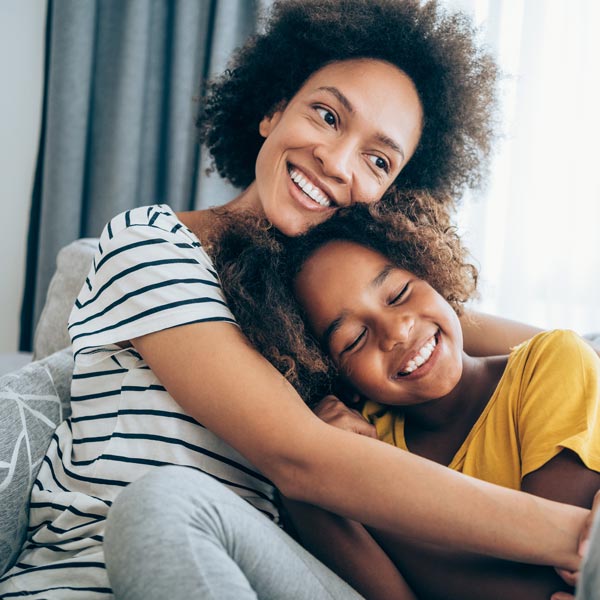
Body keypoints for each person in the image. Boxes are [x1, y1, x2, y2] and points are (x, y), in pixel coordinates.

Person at [0, 1, 594, 599]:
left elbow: (493, 337)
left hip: (266, 571)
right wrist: (582, 540)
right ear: (273, 109)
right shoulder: (151, 245)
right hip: (86, 573)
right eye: (328, 115)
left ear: (389, 195)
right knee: (164, 500)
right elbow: (297, 456)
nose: (336, 162)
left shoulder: (331, 309)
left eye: (378, 159)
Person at [213, 199, 600, 598]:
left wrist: (361, 500)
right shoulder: (358, 439)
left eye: (398, 294)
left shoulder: (555, 361)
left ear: (431, 269)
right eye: (354, 339)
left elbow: (553, 580)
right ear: (329, 371)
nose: (396, 332)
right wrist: (324, 473)